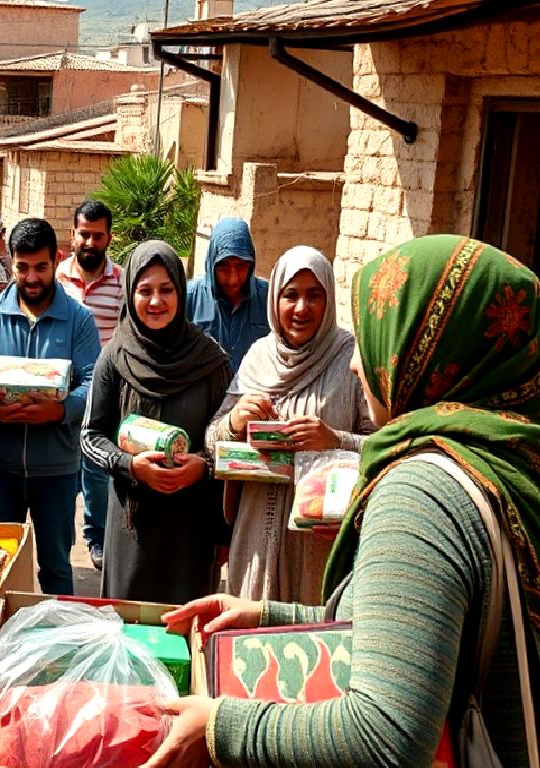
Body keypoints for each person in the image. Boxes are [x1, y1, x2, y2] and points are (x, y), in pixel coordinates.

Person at [143, 235, 540, 768]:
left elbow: (385, 735)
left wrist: (219, 723)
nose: (358, 366)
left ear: (427, 353)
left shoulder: (423, 492)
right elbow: (407, 633)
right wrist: (268, 614)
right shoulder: (505, 457)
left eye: (380, 340)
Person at [205, 245, 375, 605]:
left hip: (319, 541)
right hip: (255, 535)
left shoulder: (349, 358)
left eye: (314, 296)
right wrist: (236, 421)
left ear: (329, 299)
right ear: (274, 299)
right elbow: (211, 440)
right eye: (290, 295)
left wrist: (334, 439)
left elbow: (382, 447)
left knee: (309, 637)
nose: (301, 309)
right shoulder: (258, 357)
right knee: (251, 637)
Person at [82, 241, 230, 604]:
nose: (155, 301)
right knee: (128, 630)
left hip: (190, 529)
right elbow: (90, 437)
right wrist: (130, 465)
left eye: (166, 290)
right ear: (130, 293)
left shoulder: (210, 362)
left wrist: (204, 468)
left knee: (183, 631)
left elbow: (230, 443)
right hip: (132, 528)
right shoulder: (115, 357)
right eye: (144, 290)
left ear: (181, 291)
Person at [0, 218, 101, 595]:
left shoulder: (78, 320)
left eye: (40, 267)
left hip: (56, 470)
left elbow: (92, 384)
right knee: (0, 567)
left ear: (56, 261)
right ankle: (2, 645)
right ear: (9, 263)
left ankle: (60, 646)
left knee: (56, 567)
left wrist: (60, 411)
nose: (32, 277)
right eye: (22, 267)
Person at [57, 199, 124, 570]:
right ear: (73, 234)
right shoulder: (57, 279)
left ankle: (96, 538)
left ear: (108, 238)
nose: (90, 242)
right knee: (64, 477)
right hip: (61, 396)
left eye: (98, 236)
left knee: (97, 475)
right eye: (84, 234)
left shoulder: (121, 282)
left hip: (103, 397)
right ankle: (61, 545)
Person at [186, 218, 270, 373]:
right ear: (212, 262)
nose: (233, 279)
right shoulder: (190, 298)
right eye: (223, 267)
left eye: (241, 266)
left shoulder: (268, 299)